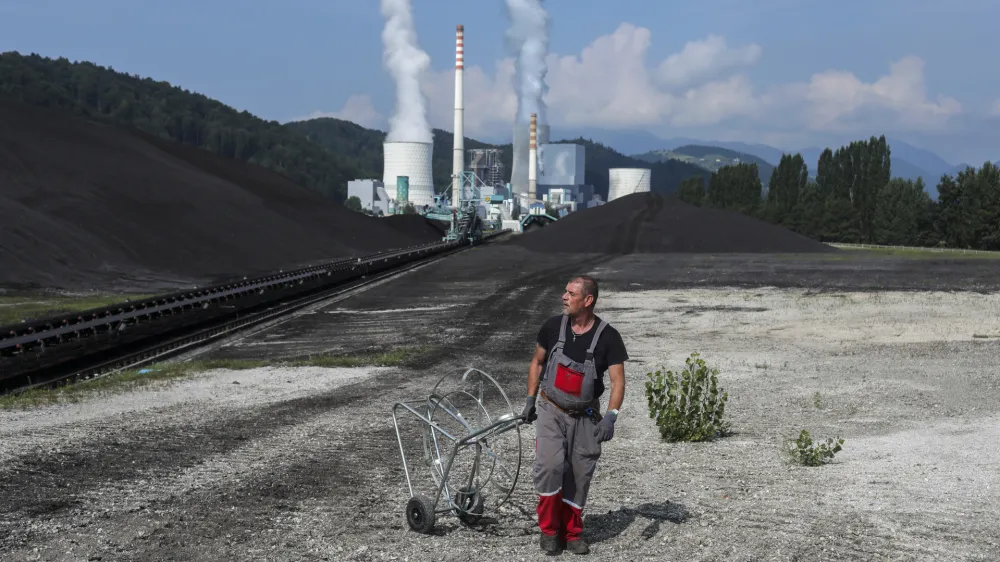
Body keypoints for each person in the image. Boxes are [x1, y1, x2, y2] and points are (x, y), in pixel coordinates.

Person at [521, 275, 628, 555]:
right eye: (565, 292)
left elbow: (618, 381)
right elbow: (537, 362)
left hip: (585, 417)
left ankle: (572, 533)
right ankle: (549, 531)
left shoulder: (608, 337)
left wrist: (611, 416)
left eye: (571, 293)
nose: (564, 297)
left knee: (580, 475)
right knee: (550, 466)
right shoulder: (552, 327)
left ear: (588, 300)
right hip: (551, 410)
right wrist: (530, 399)